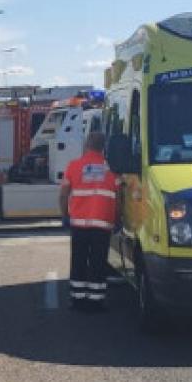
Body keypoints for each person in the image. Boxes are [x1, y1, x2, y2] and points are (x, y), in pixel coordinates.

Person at [59, 131, 118, 310]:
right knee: (98, 262)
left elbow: (63, 194)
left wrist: (65, 214)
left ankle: (78, 299)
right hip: (102, 224)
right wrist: (118, 218)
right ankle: (95, 301)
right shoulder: (111, 170)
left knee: (78, 260)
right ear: (103, 147)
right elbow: (119, 198)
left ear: (86, 145)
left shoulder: (74, 166)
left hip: (79, 224)